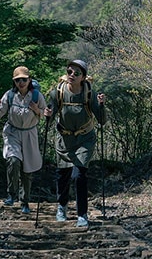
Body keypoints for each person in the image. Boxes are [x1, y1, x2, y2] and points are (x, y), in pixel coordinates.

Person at [43, 59, 106, 228]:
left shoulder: (89, 93)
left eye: (76, 73)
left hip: (85, 139)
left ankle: (82, 214)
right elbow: (51, 115)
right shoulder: (58, 92)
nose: (72, 75)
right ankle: (61, 207)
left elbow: (101, 120)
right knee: (62, 176)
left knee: (78, 175)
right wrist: (47, 114)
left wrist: (101, 106)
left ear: (83, 77)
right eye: (70, 71)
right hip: (64, 139)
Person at [0, 66, 47, 214]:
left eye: (24, 79)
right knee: (13, 160)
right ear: (14, 82)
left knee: (27, 170)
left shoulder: (37, 96)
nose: (21, 82)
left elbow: (45, 114)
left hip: (30, 134)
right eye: (17, 80)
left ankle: (25, 201)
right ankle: (11, 194)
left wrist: (37, 110)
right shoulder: (9, 95)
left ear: (29, 80)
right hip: (12, 132)